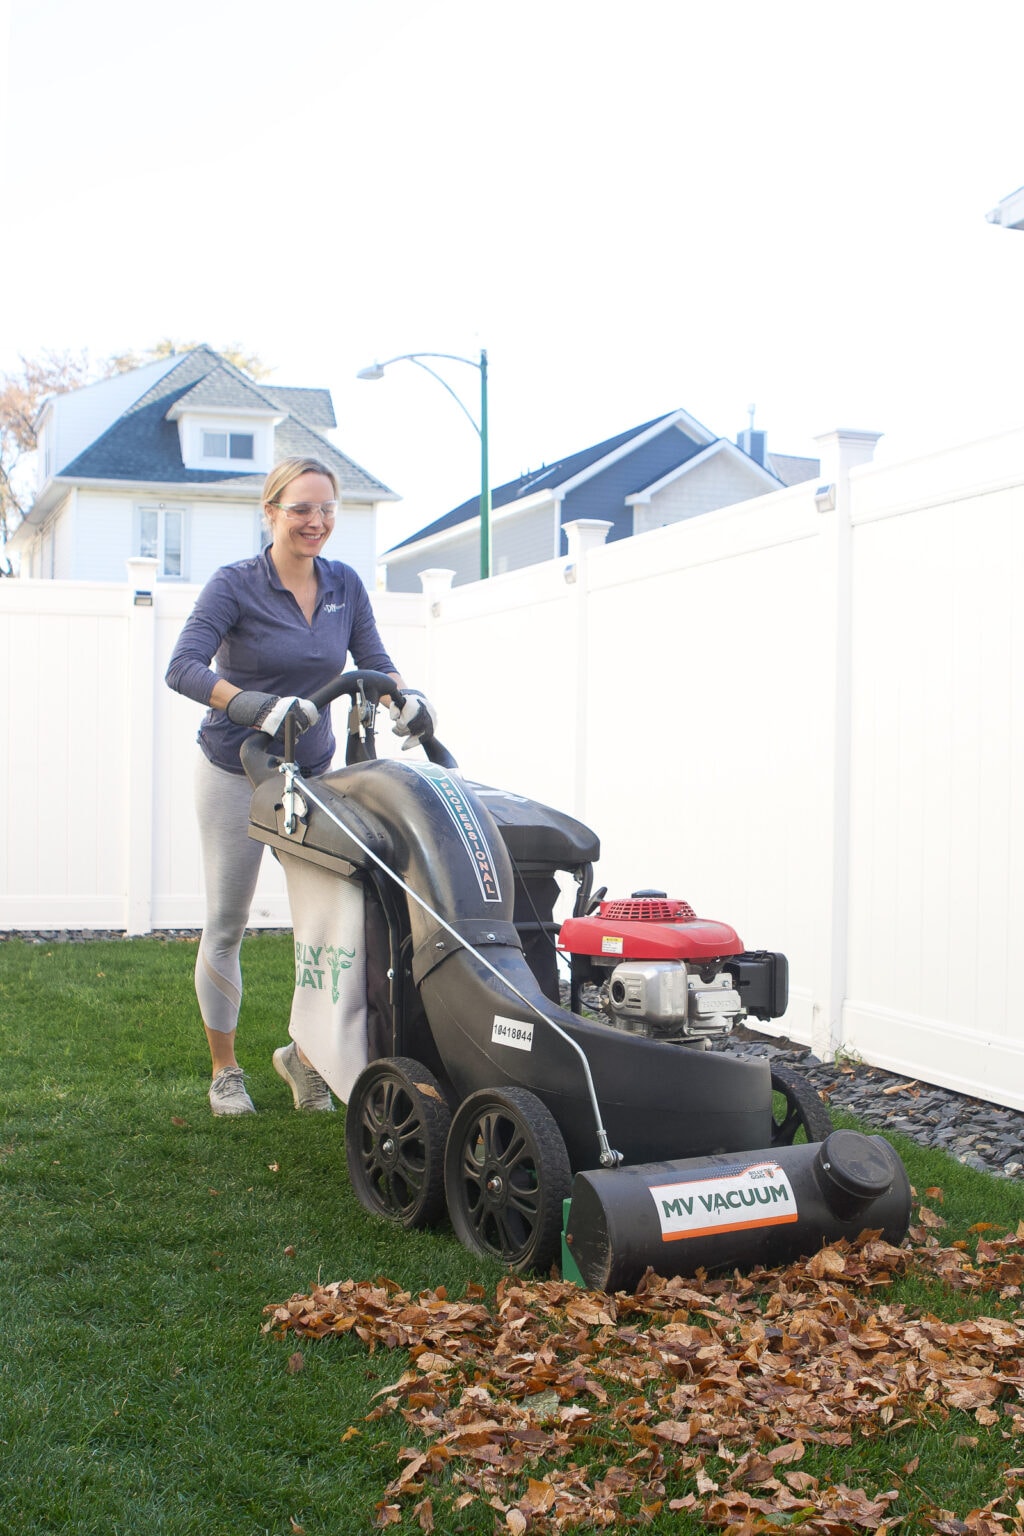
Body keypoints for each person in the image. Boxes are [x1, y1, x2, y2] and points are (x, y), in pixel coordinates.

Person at [165, 456, 435, 1117]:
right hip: (239, 768)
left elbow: (374, 663)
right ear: (271, 512)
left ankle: (304, 1058)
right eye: (300, 509)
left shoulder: (344, 584)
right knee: (228, 921)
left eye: (325, 510)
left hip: (313, 774)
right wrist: (251, 704)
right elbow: (183, 667)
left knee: (327, 926)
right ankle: (226, 1071)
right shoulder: (236, 584)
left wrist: (408, 699)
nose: (315, 522)